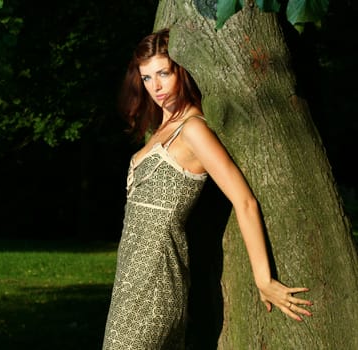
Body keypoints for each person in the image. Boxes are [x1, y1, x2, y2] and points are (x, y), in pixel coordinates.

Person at [102, 28, 313, 350]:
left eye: (163, 73)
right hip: (129, 280)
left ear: (181, 71)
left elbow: (245, 201)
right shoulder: (161, 128)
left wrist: (263, 278)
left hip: (156, 279)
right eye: (146, 78)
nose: (155, 87)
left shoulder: (193, 130)